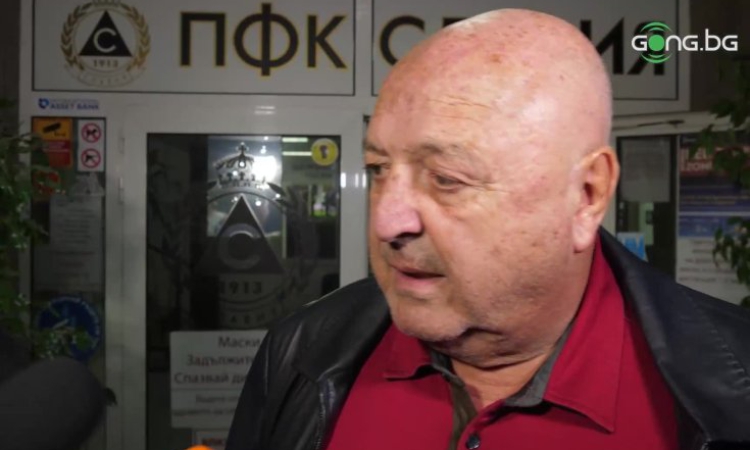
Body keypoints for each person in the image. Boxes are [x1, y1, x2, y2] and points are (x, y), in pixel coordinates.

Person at [226, 9, 750, 450]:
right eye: (379, 169)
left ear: (587, 195)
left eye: (446, 179)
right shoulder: (299, 353)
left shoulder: (735, 382)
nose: (387, 221)